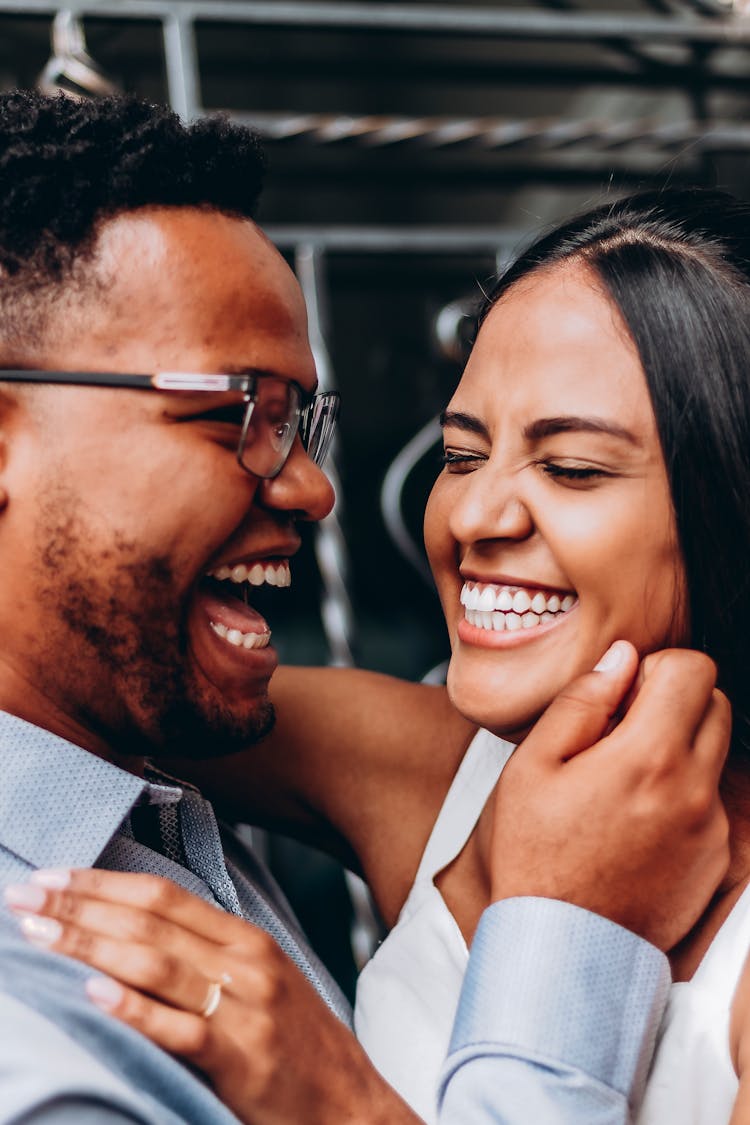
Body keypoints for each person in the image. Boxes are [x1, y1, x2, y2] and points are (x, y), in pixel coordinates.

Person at [0, 90, 730, 1123]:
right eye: (232, 412)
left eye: (570, 464)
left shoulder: (146, 757)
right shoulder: (38, 1032)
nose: (313, 488)